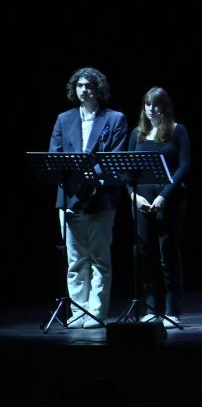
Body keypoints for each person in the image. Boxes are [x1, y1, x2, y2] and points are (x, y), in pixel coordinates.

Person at [48, 67, 129, 328]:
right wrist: (75, 175)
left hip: (101, 198)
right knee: (75, 261)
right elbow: (55, 155)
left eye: (89, 85)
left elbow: (115, 157)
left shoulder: (115, 118)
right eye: (80, 85)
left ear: (98, 89)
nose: (84, 90)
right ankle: (78, 312)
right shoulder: (64, 119)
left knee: (99, 259)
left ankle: (95, 312)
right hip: (70, 197)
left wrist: (89, 175)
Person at [129, 87, 191, 327]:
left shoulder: (177, 130)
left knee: (169, 254)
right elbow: (127, 170)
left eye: (156, 105)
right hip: (142, 201)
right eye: (148, 104)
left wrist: (164, 196)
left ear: (164, 107)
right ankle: (151, 307)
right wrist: (134, 197)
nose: (151, 109)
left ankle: (171, 310)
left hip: (169, 200)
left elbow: (184, 166)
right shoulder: (137, 133)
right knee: (146, 255)